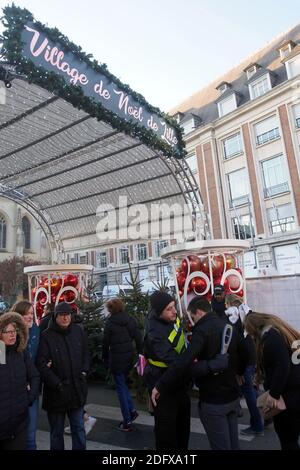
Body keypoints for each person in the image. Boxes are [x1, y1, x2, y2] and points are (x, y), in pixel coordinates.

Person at [151, 297, 248, 450]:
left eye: (194, 316)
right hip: (232, 397)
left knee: (221, 446)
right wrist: (239, 372)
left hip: (213, 400)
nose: (193, 321)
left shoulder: (202, 331)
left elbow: (184, 362)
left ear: (200, 312)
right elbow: (246, 352)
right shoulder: (228, 324)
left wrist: (161, 385)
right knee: (233, 443)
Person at [36, 302, 90, 450]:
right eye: (62, 315)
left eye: (68, 315)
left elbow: (86, 353)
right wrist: (57, 383)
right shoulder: (46, 336)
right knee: (56, 432)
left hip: (76, 389)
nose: (65, 318)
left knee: (78, 428)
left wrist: (84, 372)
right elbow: (41, 364)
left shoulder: (78, 332)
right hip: (56, 393)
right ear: (56, 316)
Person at [244, 312, 300, 450]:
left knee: (288, 439)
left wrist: (273, 394)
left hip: (289, 397)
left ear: (253, 327)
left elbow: (282, 367)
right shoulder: (279, 330)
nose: (250, 336)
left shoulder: (271, 338)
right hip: (295, 393)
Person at [143, 291, 191, 450]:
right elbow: (170, 358)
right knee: (166, 433)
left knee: (183, 427)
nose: (175, 311)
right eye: (169, 308)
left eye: (174, 307)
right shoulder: (155, 331)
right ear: (159, 311)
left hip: (180, 381)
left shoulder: (171, 319)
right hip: (163, 384)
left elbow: (181, 342)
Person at [225, 294, 264, 436]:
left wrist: (239, 372)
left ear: (228, 304)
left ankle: (257, 426)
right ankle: (264, 418)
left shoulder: (234, 319)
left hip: (245, 362)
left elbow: (239, 348)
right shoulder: (247, 313)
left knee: (250, 395)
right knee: (253, 392)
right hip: (252, 359)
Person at [0, 312, 40, 450]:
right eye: (8, 332)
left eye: (14, 331)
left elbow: (34, 376)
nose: (12, 335)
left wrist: (29, 398)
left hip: (19, 422)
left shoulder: (21, 352)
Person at [102, 298, 142, 432]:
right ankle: (131, 411)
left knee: (121, 388)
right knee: (123, 384)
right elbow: (138, 337)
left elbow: (105, 343)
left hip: (116, 358)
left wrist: (105, 358)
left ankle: (127, 420)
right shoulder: (130, 319)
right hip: (128, 357)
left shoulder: (110, 323)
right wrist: (140, 353)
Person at [12, 300, 41, 450]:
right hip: (12, 392)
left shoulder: (36, 330)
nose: (29, 317)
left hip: (31, 391)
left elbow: (39, 359)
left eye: (31, 313)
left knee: (30, 437)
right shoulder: (7, 333)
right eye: (25, 314)